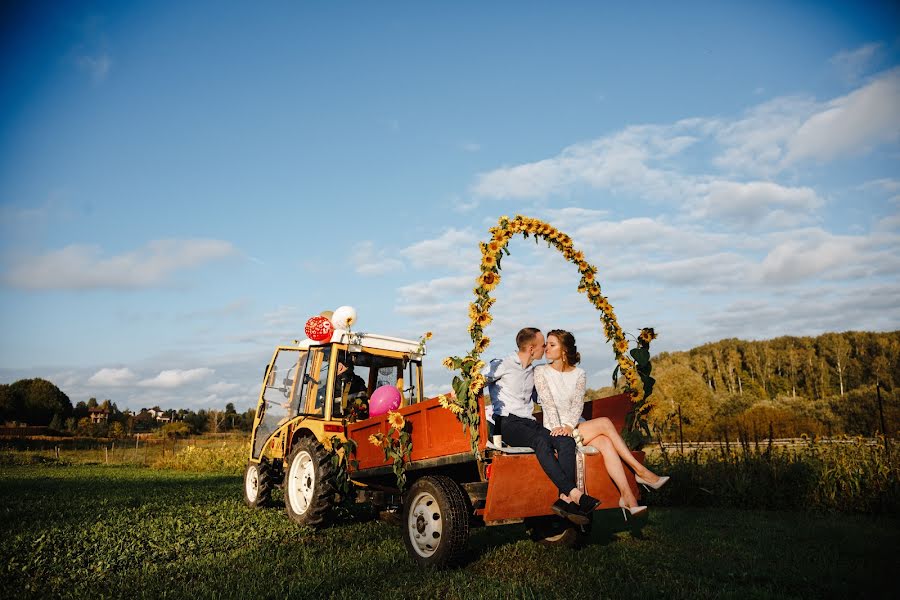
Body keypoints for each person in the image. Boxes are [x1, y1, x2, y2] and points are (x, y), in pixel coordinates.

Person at [535, 329, 670, 520]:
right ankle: (640, 472)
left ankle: (628, 498)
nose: (546, 348)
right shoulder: (540, 372)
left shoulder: (579, 374)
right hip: (554, 427)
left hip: (573, 425)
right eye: (547, 344)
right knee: (605, 423)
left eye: (552, 345)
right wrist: (561, 427)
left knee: (606, 443)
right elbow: (547, 403)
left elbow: (577, 405)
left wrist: (569, 425)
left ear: (564, 350)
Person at [487, 327, 600, 525]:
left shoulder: (533, 372)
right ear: (531, 349)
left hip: (529, 422)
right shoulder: (501, 364)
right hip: (507, 422)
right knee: (540, 441)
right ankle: (574, 494)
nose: (545, 348)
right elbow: (475, 382)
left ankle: (564, 501)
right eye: (542, 345)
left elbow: (544, 398)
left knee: (565, 441)